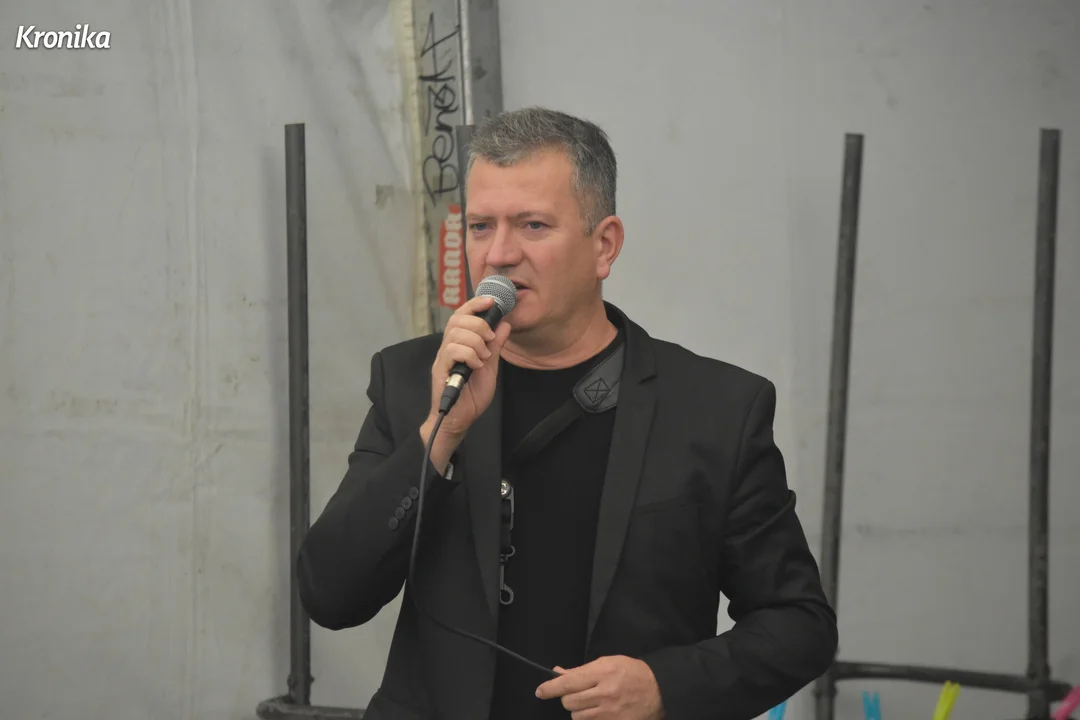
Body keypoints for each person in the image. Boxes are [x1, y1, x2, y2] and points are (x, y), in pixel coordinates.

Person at [296, 107, 838, 720]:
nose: (499, 253)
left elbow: (799, 625)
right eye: (480, 227)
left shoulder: (716, 408)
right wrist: (438, 437)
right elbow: (330, 594)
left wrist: (663, 686)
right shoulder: (413, 381)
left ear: (604, 246)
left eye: (532, 225)